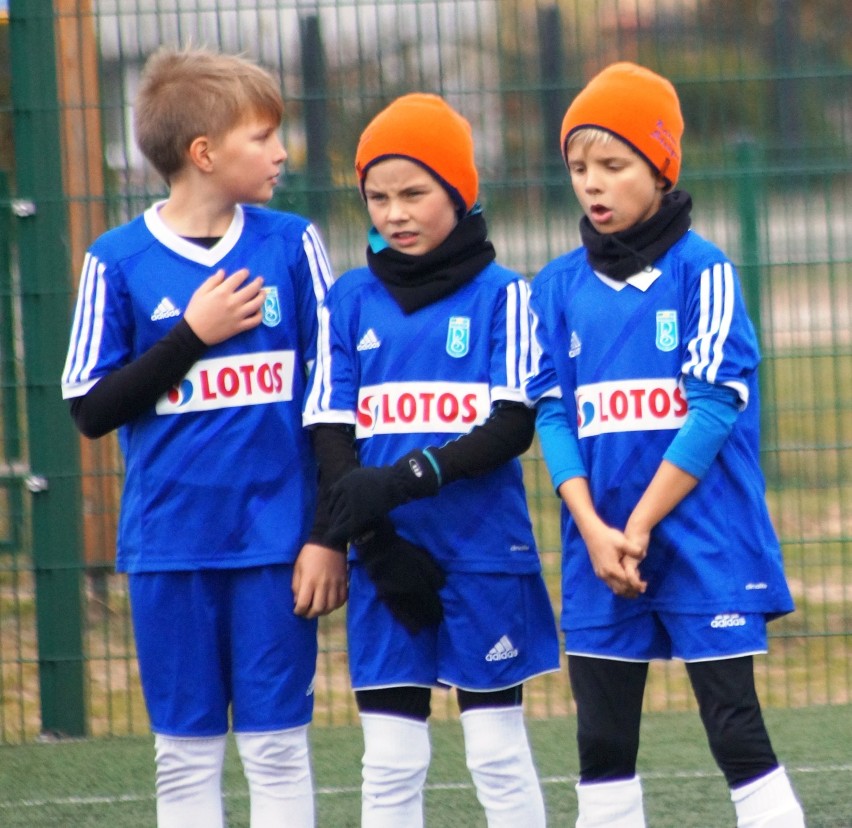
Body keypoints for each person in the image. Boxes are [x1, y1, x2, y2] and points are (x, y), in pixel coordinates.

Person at [60, 47, 346, 828]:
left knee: (279, 748)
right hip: (171, 547)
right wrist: (191, 334)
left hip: (275, 549)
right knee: (185, 757)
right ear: (204, 153)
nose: (282, 152)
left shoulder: (292, 245)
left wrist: (327, 534)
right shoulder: (117, 261)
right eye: (263, 136)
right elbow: (90, 406)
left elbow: (334, 398)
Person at [524, 61, 806, 827]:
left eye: (613, 165)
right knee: (602, 742)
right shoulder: (553, 287)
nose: (593, 184)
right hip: (601, 547)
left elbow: (714, 409)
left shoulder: (703, 271)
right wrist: (593, 528)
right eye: (579, 167)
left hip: (700, 539)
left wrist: (642, 523)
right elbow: (552, 414)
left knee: (736, 731)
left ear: (661, 167)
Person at [303, 93, 560, 827]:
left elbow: (511, 426)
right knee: (390, 762)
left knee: (495, 754)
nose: (395, 213)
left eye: (414, 192)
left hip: (483, 554)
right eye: (377, 197)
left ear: (459, 190)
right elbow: (329, 429)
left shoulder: (504, 295)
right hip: (386, 557)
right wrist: (375, 542)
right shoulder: (347, 299)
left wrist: (406, 478)